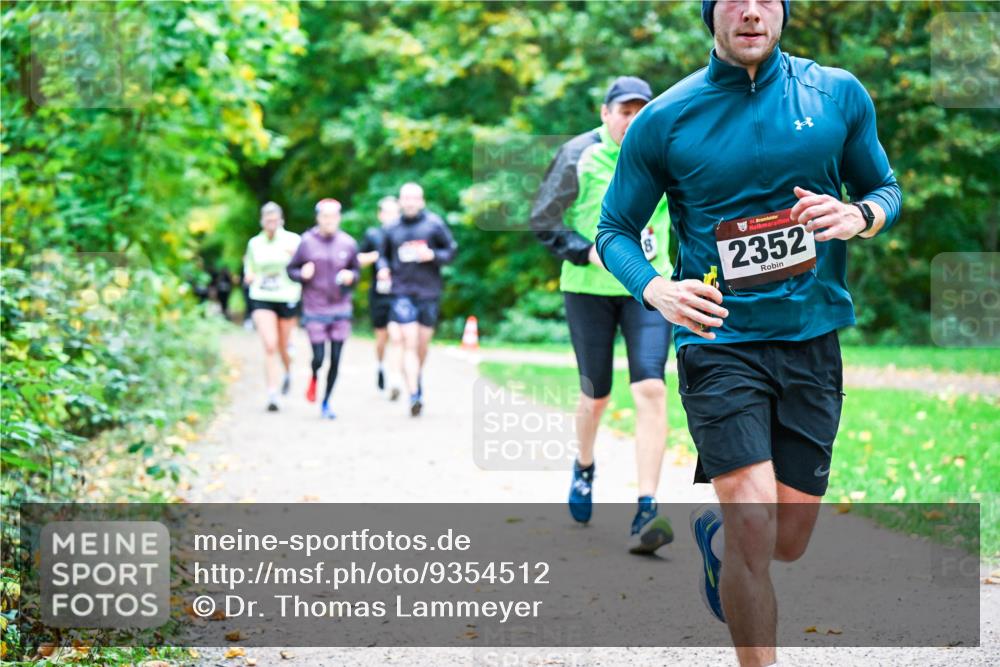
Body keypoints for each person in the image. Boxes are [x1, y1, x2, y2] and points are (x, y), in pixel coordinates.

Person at [596, 2, 902, 665]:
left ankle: (718, 547)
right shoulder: (666, 119)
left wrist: (859, 215)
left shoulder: (837, 94)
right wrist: (656, 288)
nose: (752, 11)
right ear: (712, 13)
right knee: (754, 523)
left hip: (812, 335)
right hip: (718, 341)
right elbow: (613, 227)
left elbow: (885, 187)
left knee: (787, 540)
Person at [531, 76, 675, 555]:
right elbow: (543, 218)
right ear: (605, 113)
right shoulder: (577, 155)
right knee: (595, 395)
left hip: (650, 288)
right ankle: (585, 466)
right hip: (589, 289)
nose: (632, 120)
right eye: (624, 111)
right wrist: (585, 251)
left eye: (641, 111)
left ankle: (647, 505)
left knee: (651, 387)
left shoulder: (666, 152)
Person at [376, 183, 457, 417]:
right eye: (406, 198)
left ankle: (415, 380)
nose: (410, 202)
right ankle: (414, 394)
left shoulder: (434, 224)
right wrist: (383, 269)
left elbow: (451, 250)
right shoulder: (391, 229)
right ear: (400, 202)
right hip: (401, 292)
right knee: (408, 342)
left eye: (414, 198)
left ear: (421, 201)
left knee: (422, 345)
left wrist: (432, 255)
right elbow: (383, 257)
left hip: (429, 293)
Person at [287, 199, 360, 420]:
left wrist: (351, 277)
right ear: (318, 218)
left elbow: (356, 273)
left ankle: (326, 401)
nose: (329, 221)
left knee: (336, 359)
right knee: (319, 357)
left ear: (339, 218)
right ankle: (314, 376)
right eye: (325, 216)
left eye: (334, 216)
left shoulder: (348, 243)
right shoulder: (306, 242)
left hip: (340, 309)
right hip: (315, 308)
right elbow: (291, 270)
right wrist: (302, 274)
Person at [243, 201, 302, 412]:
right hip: (261, 295)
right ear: (262, 221)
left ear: (281, 220)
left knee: (283, 346)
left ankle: (287, 371)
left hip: (286, 295)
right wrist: (248, 274)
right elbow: (249, 266)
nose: (271, 224)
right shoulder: (254, 244)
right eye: (268, 220)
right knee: (269, 344)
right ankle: (272, 393)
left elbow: (302, 265)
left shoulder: (293, 241)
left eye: (275, 220)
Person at [358, 196, 402, 399]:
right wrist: (378, 257)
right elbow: (357, 260)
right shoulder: (373, 234)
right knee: (381, 338)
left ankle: (395, 379)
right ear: (380, 214)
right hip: (379, 292)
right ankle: (380, 366)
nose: (391, 216)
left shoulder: (403, 234)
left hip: (399, 293)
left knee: (397, 336)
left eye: (395, 212)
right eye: (387, 212)